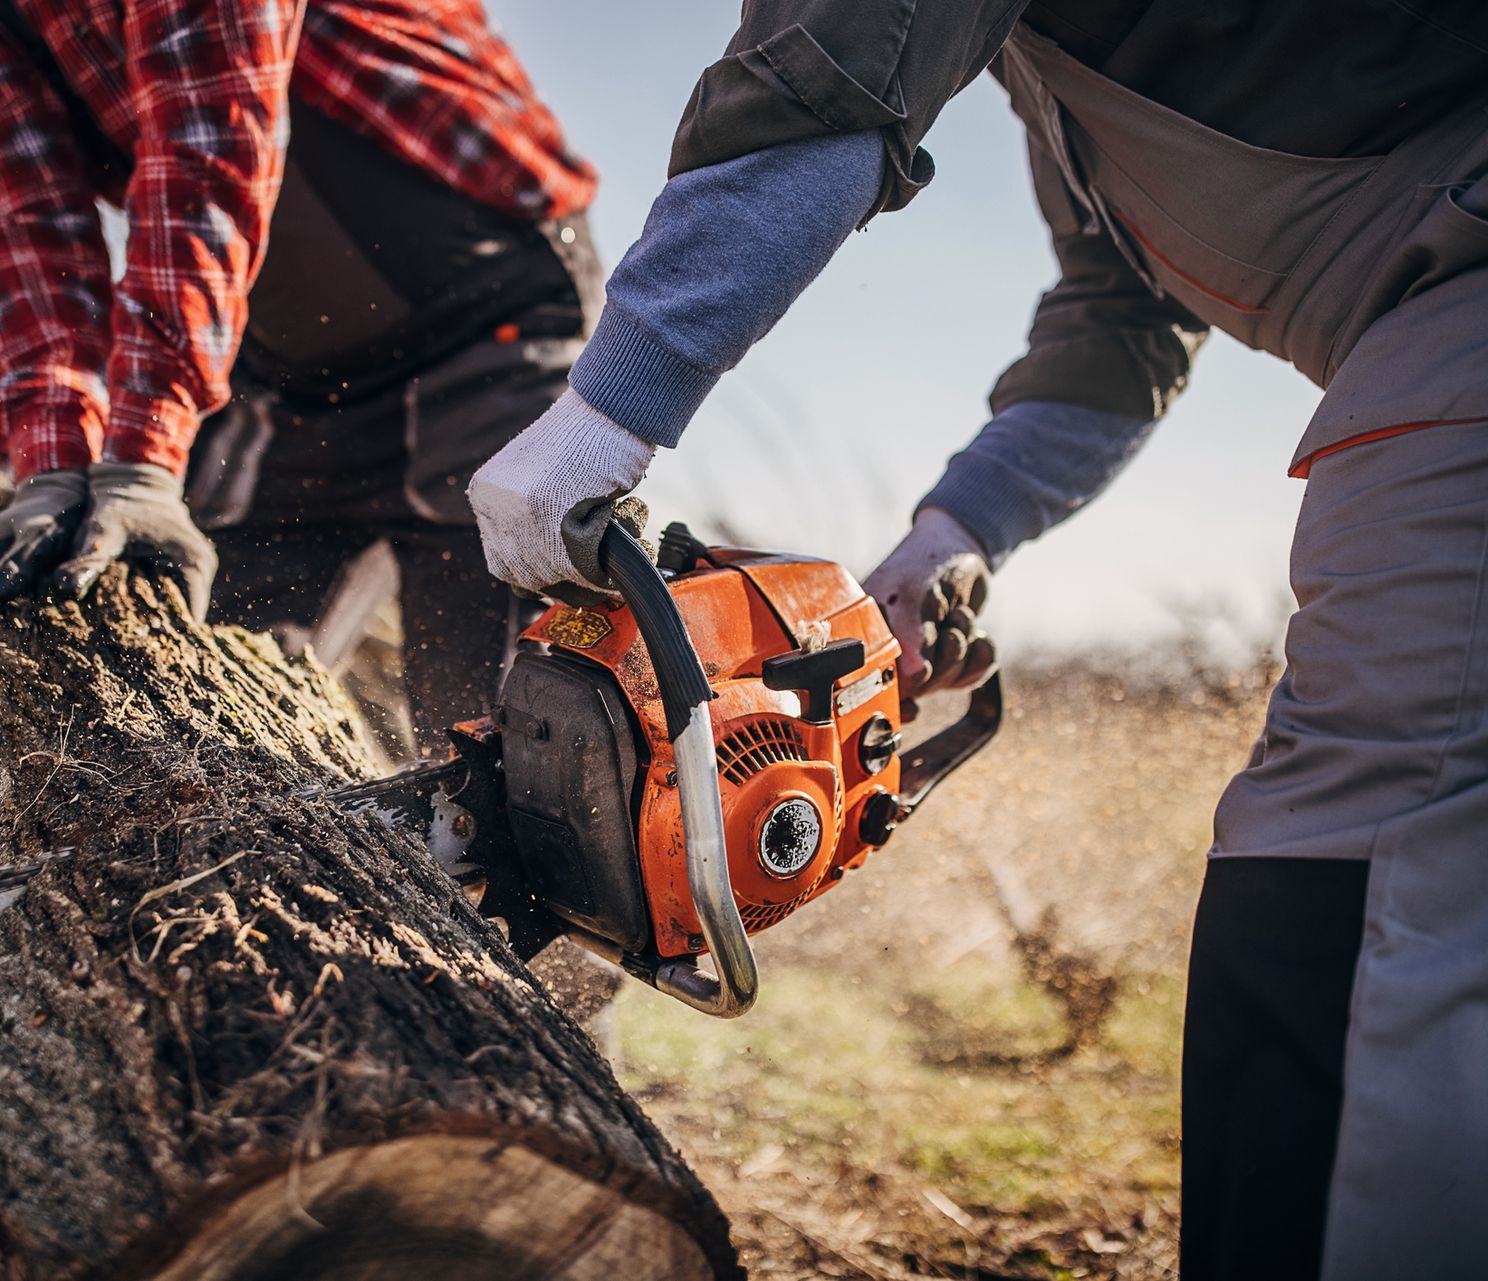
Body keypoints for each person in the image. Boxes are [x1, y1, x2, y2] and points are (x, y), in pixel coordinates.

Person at [465, 5, 1488, 1278]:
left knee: (1366, 828)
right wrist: (956, 533)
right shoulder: (1056, 77)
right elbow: (1123, 325)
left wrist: (611, 408)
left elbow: (831, 67)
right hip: (1426, 298)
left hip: (1457, 296)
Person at [0, 0, 599, 751]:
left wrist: (142, 457)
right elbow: (21, 214)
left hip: (491, 321)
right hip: (287, 380)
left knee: (504, 747)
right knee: (197, 713)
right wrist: (52, 466)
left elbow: (205, 150)